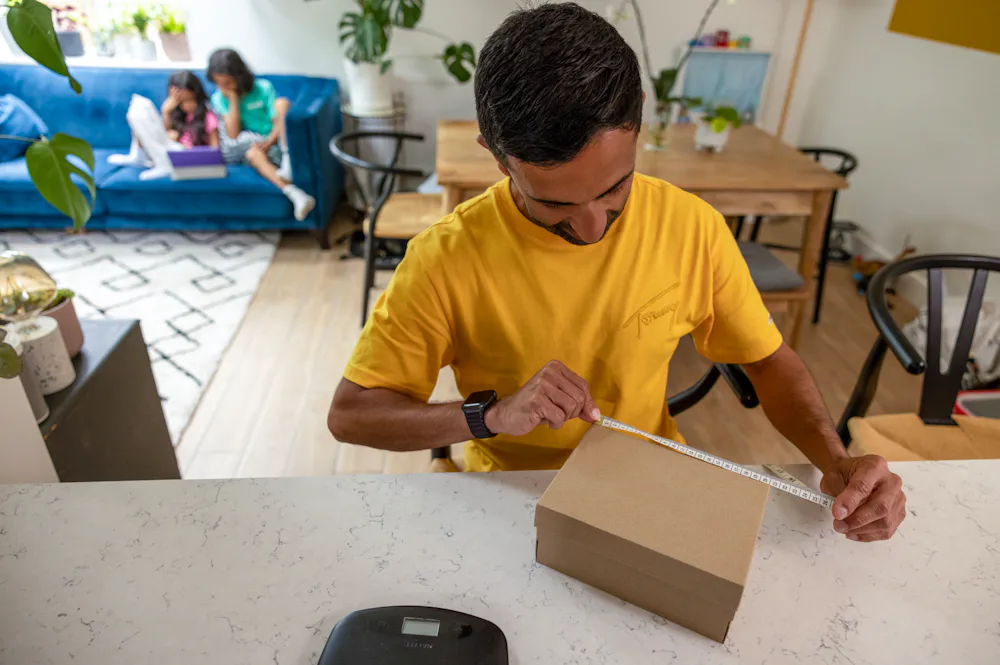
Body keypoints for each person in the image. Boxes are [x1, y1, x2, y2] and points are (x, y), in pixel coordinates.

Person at [327, 3, 906, 543]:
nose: (591, 229)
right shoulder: (445, 259)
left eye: (614, 191)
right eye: (554, 205)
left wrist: (836, 461)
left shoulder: (690, 226)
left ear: (637, 133)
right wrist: (492, 415)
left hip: (647, 480)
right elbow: (351, 416)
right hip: (509, 495)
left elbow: (766, 361)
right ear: (496, 155)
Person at [206, 48, 315, 221]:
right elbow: (233, 135)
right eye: (218, 83)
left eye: (227, 82)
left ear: (239, 76)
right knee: (252, 153)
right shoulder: (219, 99)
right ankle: (296, 195)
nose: (223, 88)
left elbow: (276, 120)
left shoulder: (263, 88)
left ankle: (287, 162)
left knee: (282, 103)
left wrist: (271, 140)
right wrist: (233, 99)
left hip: (277, 139)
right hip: (253, 148)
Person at [108, 70, 219, 179]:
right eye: (180, 102)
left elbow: (215, 152)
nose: (186, 106)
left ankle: (161, 164)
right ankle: (139, 155)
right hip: (169, 151)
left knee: (146, 114)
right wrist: (166, 111)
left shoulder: (208, 117)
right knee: (139, 107)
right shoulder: (178, 115)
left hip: (186, 156)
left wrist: (189, 151)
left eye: (189, 100)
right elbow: (164, 136)